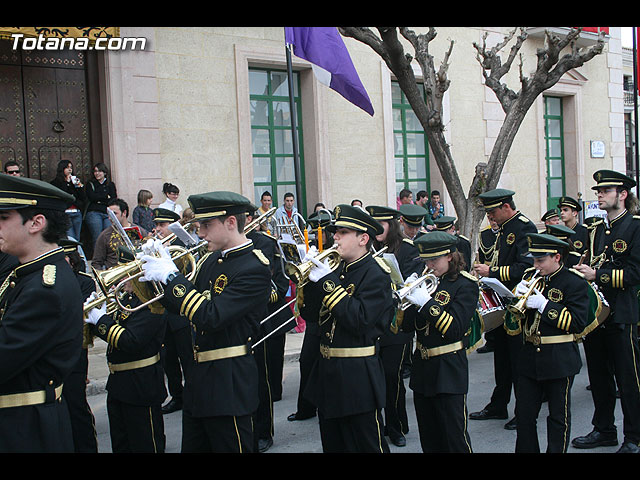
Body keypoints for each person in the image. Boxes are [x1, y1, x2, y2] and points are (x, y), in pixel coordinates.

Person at [139, 191, 271, 453]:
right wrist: (152, 277)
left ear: (231, 222)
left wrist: (171, 277)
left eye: (207, 225)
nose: (200, 233)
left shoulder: (254, 267)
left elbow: (210, 316)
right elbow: (181, 307)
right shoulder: (211, 260)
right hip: (199, 383)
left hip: (229, 384)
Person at [300, 204, 394, 453]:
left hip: (357, 378)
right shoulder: (336, 269)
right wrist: (308, 283)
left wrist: (328, 284)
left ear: (363, 239)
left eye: (342, 232)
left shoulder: (376, 274)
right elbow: (310, 315)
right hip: (327, 374)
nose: (335, 237)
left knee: (367, 446)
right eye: (335, 232)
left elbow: (359, 321)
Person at [0, 174, 83, 452]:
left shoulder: (44, 288)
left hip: (25, 429)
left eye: (3, 218)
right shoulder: (28, 275)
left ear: (36, 223)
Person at [571, 169, 640, 453]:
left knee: (628, 379)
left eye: (605, 191)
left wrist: (597, 274)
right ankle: (604, 429)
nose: (599, 194)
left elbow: (635, 272)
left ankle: (634, 437)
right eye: (598, 191)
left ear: (622, 195)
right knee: (599, 376)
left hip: (624, 312)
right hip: (597, 314)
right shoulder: (597, 229)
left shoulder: (635, 226)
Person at [401, 231, 477, 453]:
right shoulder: (427, 281)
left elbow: (454, 329)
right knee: (430, 438)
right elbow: (405, 327)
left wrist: (425, 303)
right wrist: (408, 297)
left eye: (434, 260)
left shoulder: (465, 285)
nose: (429, 265)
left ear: (450, 256)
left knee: (455, 439)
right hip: (423, 369)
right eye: (426, 260)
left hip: (449, 368)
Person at [513, 233, 590, 453]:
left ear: (557, 257)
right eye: (534, 260)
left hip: (559, 357)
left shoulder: (573, 281)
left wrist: (545, 306)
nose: (535, 265)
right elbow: (514, 322)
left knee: (558, 417)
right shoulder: (531, 277)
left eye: (540, 260)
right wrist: (516, 299)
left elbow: (577, 323)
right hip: (529, 357)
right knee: (524, 416)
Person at [471, 188, 537, 430]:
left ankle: (524, 411)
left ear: (505, 207)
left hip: (515, 305)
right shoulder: (503, 229)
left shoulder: (523, 227)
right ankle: (498, 405)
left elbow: (526, 267)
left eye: (492, 211)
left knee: (519, 362)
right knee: (501, 359)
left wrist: (493, 272)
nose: (491, 217)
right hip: (500, 302)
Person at [84, 279, 167, 453]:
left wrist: (101, 320)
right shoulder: (127, 301)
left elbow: (130, 341)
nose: (120, 282)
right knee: (121, 445)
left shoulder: (152, 302)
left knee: (145, 444)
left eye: (125, 276)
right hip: (119, 384)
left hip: (141, 385)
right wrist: (95, 315)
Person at [367, 205, 424, 448]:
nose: (378, 229)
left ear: (392, 225)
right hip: (372, 322)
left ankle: (396, 425)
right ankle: (377, 426)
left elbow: (411, 285)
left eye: (383, 224)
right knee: (373, 377)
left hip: (397, 323)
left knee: (392, 376)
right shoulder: (366, 248)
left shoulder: (407, 250)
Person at [245, 208, 294, 452]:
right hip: (241, 319)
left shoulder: (266, 242)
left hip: (267, 315)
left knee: (264, 376)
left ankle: (264, 431)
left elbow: (282, 278)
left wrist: (267, 294)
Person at [287, 211, 335, 424]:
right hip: (315, 318)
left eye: (322, 231)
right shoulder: (314, 251)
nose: (319, 235)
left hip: (332, 319)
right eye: (316, 230)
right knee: (306, 362)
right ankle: (306, 408)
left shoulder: (336, 257)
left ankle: (327, 406)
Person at [150, 208, 194, 417]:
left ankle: (193, 395)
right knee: (168, 359)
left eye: (162, 225)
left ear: (173, 226)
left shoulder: (183, 248)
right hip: (163, 313)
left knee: (187, 357)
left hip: (182, 313)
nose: (158, 229)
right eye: (157, 225)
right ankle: (177, 396)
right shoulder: (156, 248)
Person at [59, 238, 99, 453]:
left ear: (71, 259)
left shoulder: (83, 281)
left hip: (76, 347)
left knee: (76, 403)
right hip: (56, 349)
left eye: (64, 257)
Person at [92, 198, 148, 271]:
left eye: (114, 214)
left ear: (124, 213)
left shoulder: (140, 231)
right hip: (117, 278)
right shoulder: (104, 235)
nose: (110, 218)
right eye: (109, 214)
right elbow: (96, 262)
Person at [476, 217, 500, 354]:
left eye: (494, 219)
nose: (494, 222)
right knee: (489, 304)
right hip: (487, 272)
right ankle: (490, 340)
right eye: (491, 220)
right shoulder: (484, 234)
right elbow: (482, 254)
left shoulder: (504, 233)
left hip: (499, 271)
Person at [50, 159, 86, 241]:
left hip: (76, 213)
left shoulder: (74, 182)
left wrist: (78, 185)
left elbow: (83, 196)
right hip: (65, 213)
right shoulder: (56, 182)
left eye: (71, 167)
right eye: (67, 168)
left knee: (77, 237)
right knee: (71, 238)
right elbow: (63, 194)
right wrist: (67, 183)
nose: (70, 170)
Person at [85, 162, 117, 247]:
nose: (97, 173)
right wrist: (106, 196)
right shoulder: (91, 184)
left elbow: (113, 199)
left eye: (100, 171)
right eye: (95, 171)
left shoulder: (110, 184)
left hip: (107, 212)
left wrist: (100, 198)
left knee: (109, 236)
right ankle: (98, 258)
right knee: (97, 237)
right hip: (94, 212)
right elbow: (92, 197)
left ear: (105, 172)